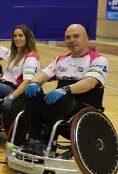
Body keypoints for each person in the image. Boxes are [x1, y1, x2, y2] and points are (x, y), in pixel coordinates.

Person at [21, 24, 109, 155]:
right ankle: (34, 140)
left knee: (61, 99)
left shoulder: (98, 59)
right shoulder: (61, 59)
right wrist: (34, 83)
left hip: (84, 107)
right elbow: (44, 74)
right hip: (60, 103)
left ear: (86, 38)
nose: (71, 40)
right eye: (68, 37)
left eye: (76, 36)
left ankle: (47, 145)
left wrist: (65, 90)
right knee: (33, 94)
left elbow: (90, 83)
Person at [0, 25, 39, 124]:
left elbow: (27, 82)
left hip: (15, 89)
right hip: (5, 83)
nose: (17, 38)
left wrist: (11, 97)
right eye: (15, 36)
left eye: (20, 35)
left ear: (27, 37)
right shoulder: (16, 54)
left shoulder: (31, 57)